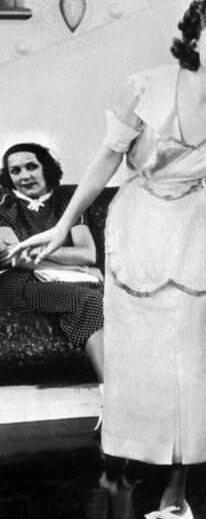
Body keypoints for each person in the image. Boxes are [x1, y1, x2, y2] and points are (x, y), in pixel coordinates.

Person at [14, 0, 206, 519]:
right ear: (196, 38)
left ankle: (176, 503)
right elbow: (105, 160)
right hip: (140, 232)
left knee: (195, 372)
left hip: (199, 235)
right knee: (155, 375)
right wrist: (62, 226)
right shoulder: (145, 87)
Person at [0, 142, 105, 378]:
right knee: (87, 300)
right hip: (18, 283)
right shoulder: (4, 205)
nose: (25, 176)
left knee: (102, 300)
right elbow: (14, 259)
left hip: (59, 280)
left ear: (45, 167)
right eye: (15, 171)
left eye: (31, 167)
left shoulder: (68, 203)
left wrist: (36, 251)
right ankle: (111, 394)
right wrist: (77, 266)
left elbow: (88, 254)